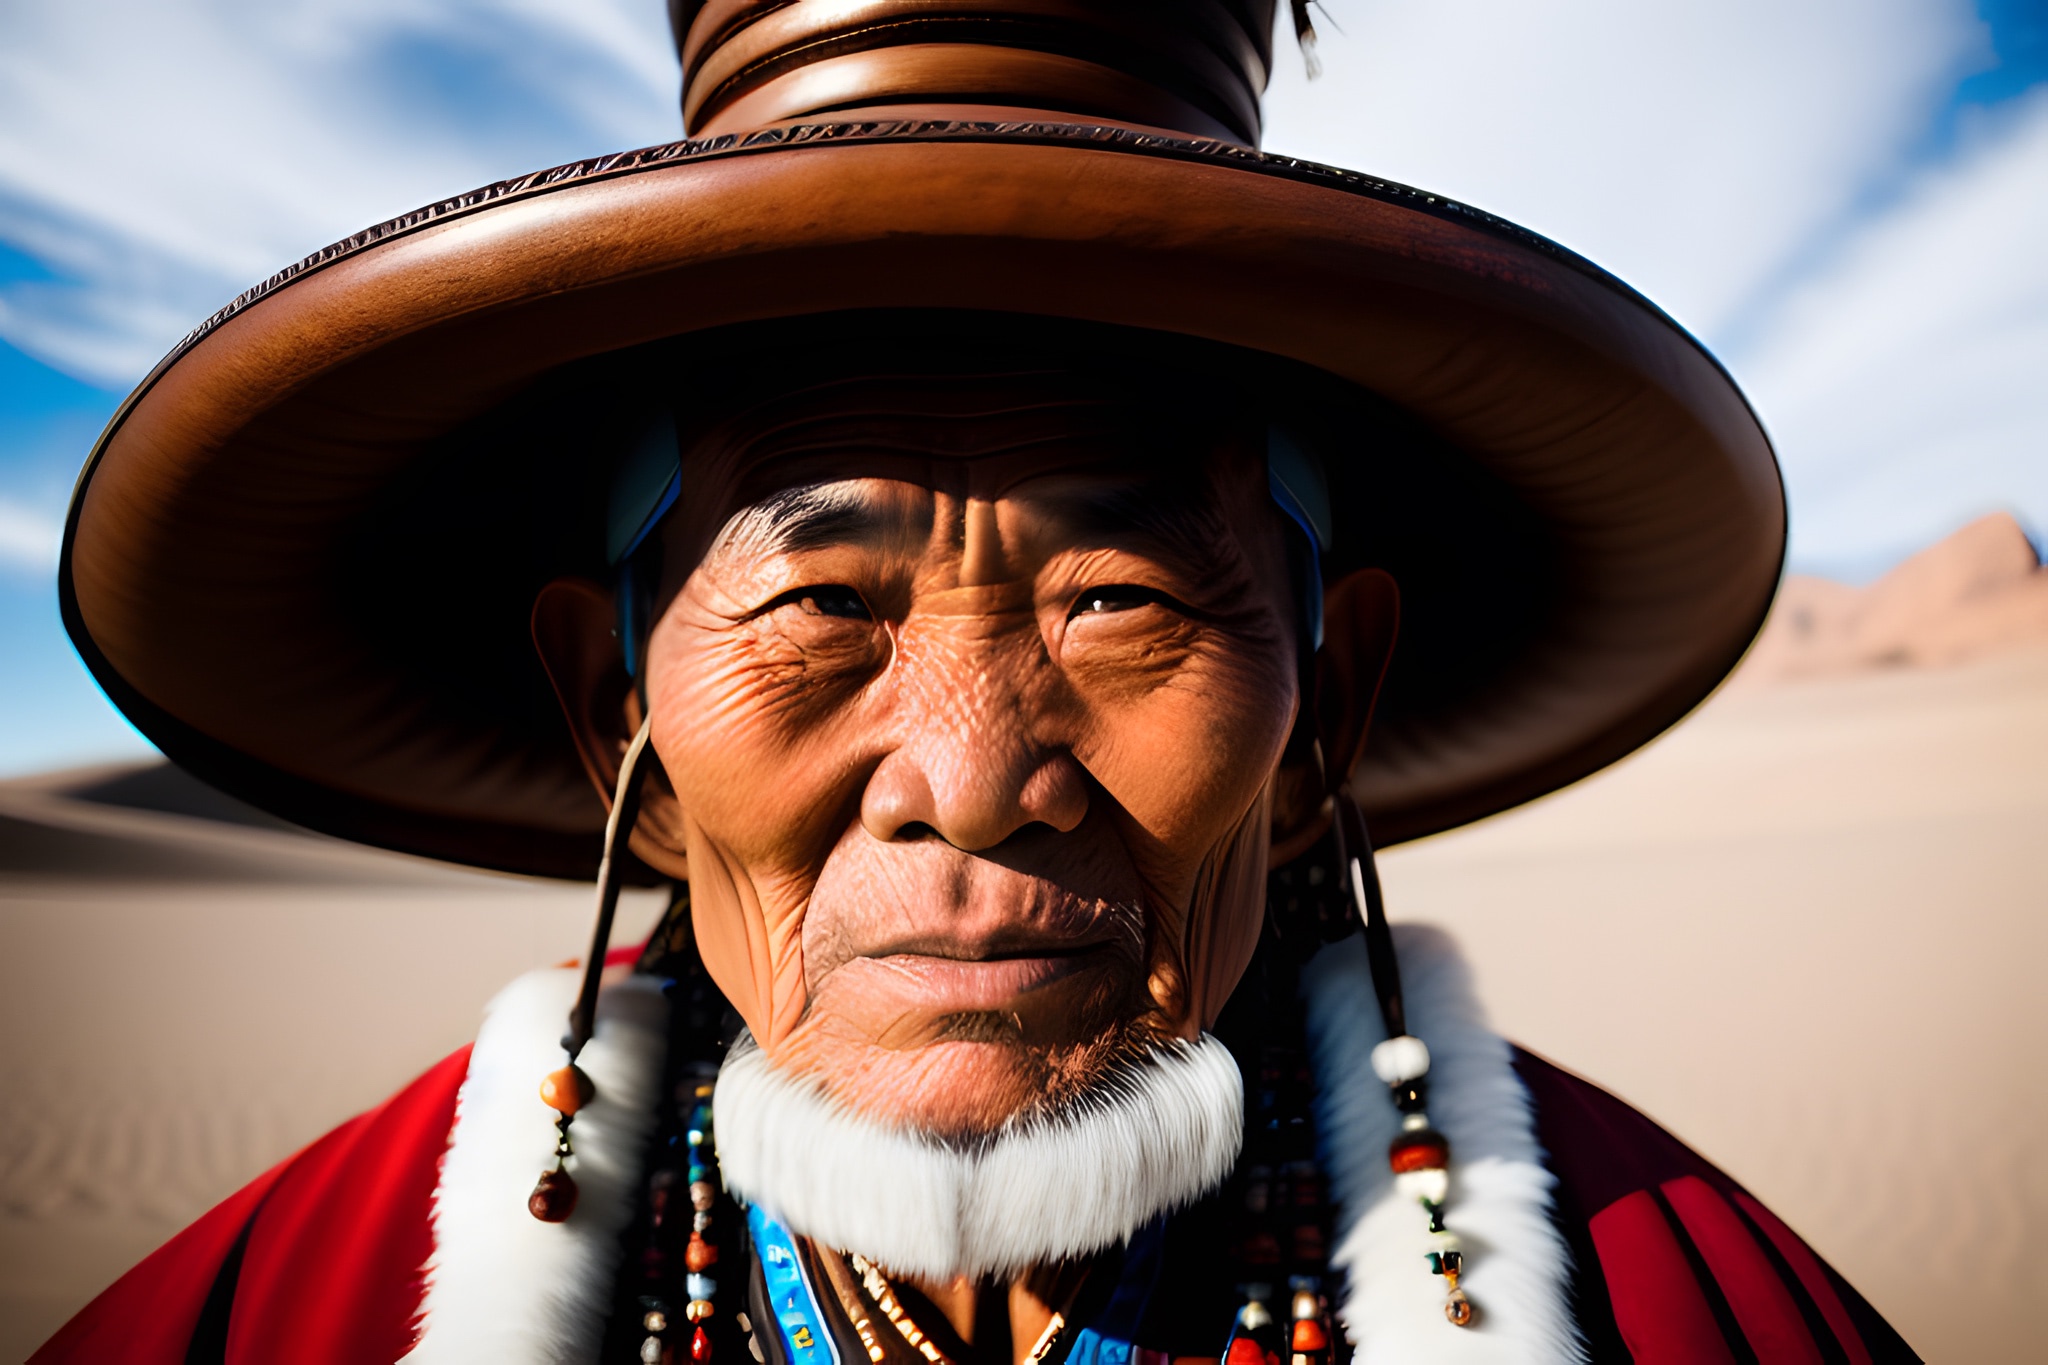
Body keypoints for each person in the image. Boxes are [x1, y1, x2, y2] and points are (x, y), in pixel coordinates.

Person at [35, 4, 1916, 1363]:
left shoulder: (1688, 1310)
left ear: (1328, 710)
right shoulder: (278, 1318)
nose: (969, 770)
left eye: (1121, 599)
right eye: (822, 604)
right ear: (618, 710)